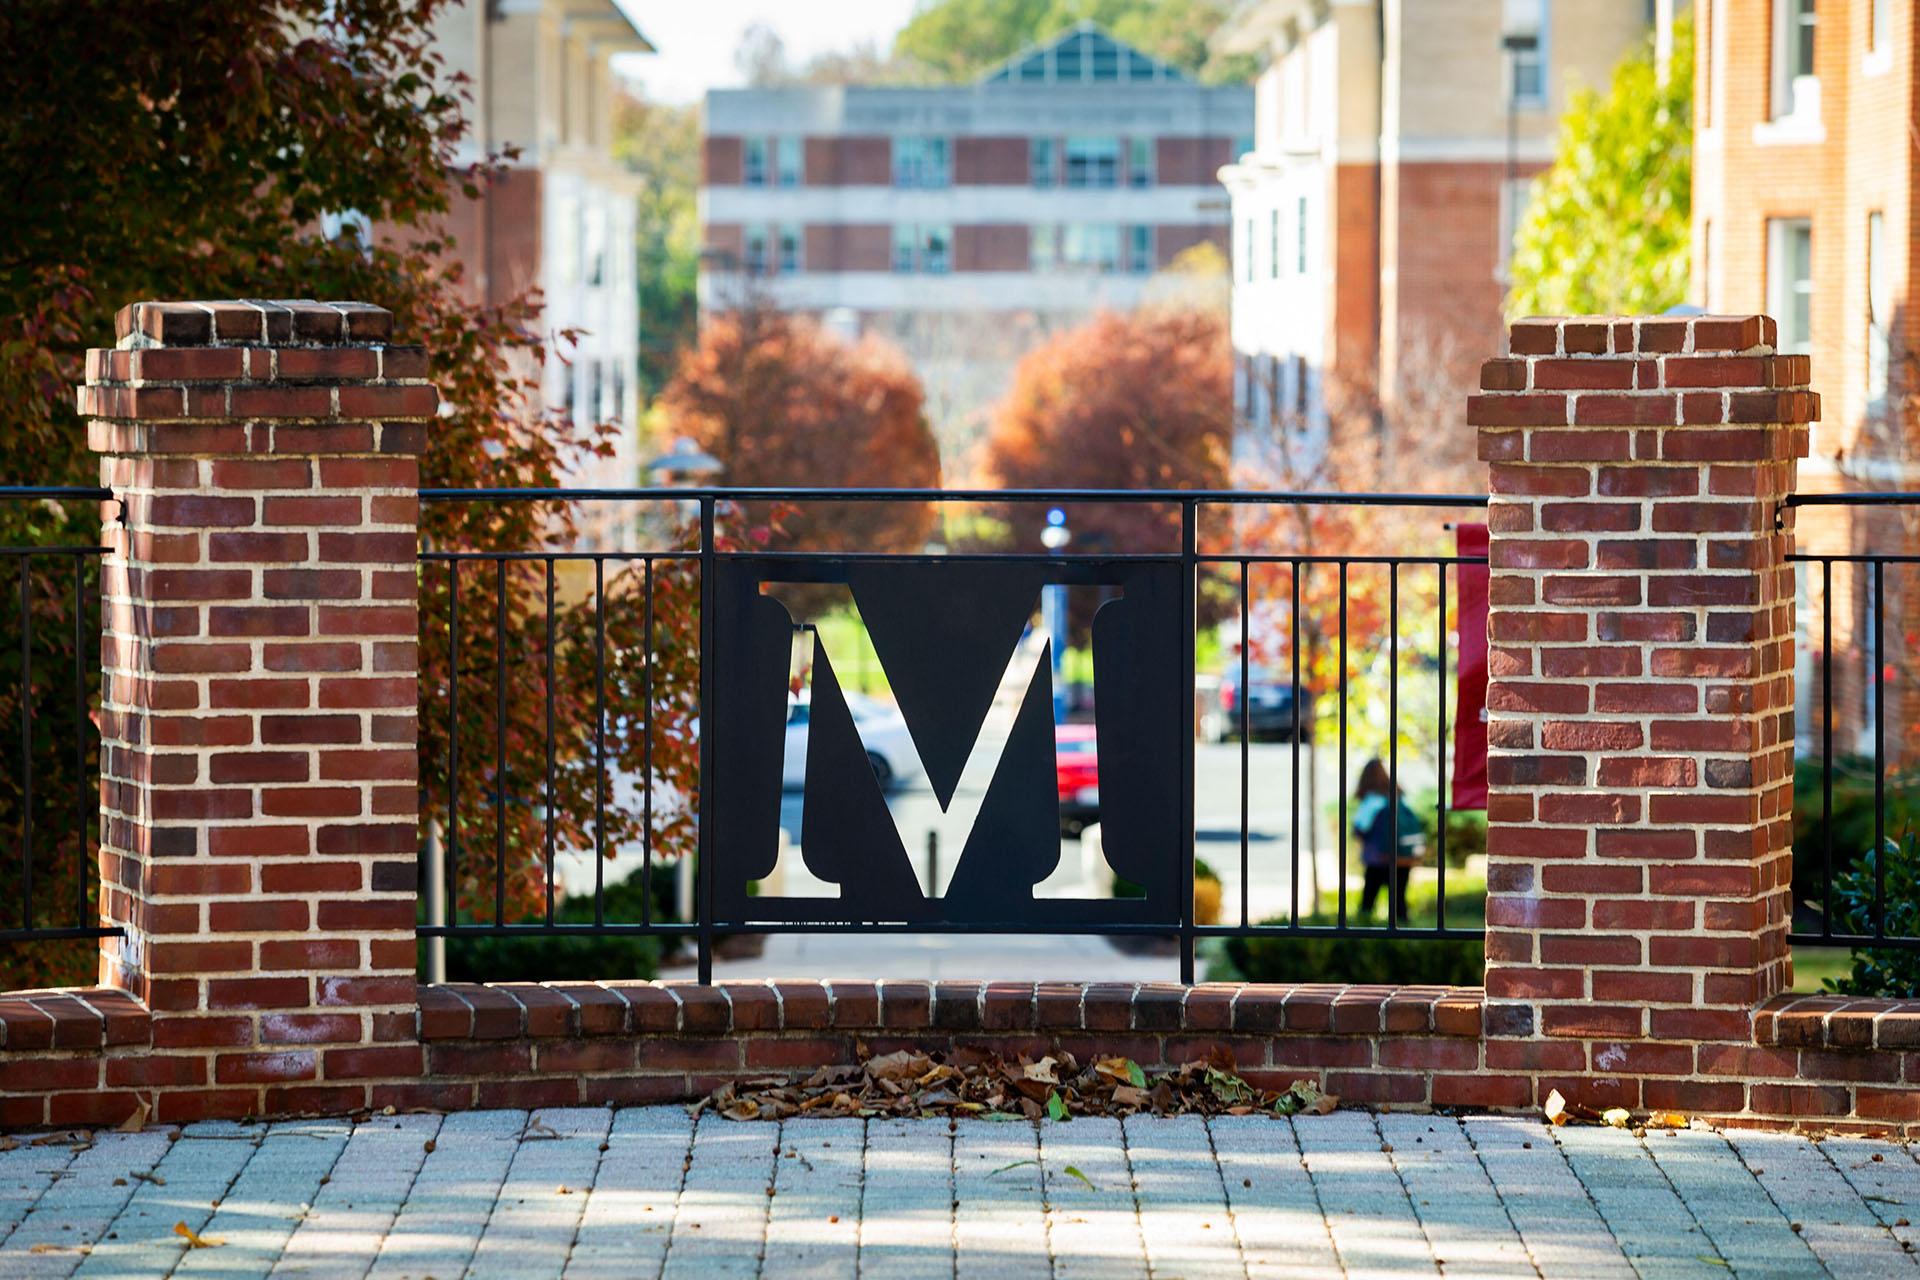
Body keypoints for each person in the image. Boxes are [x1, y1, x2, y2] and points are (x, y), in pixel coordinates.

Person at [1352, 758, 1422, 922]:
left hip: (1379, 859)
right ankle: (1405, 936)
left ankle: (1365, 935)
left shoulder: (1371, 800)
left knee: (1368, 902)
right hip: (1403, 857)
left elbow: (1360, 828)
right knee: (1399, 902)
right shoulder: (1398, 795)